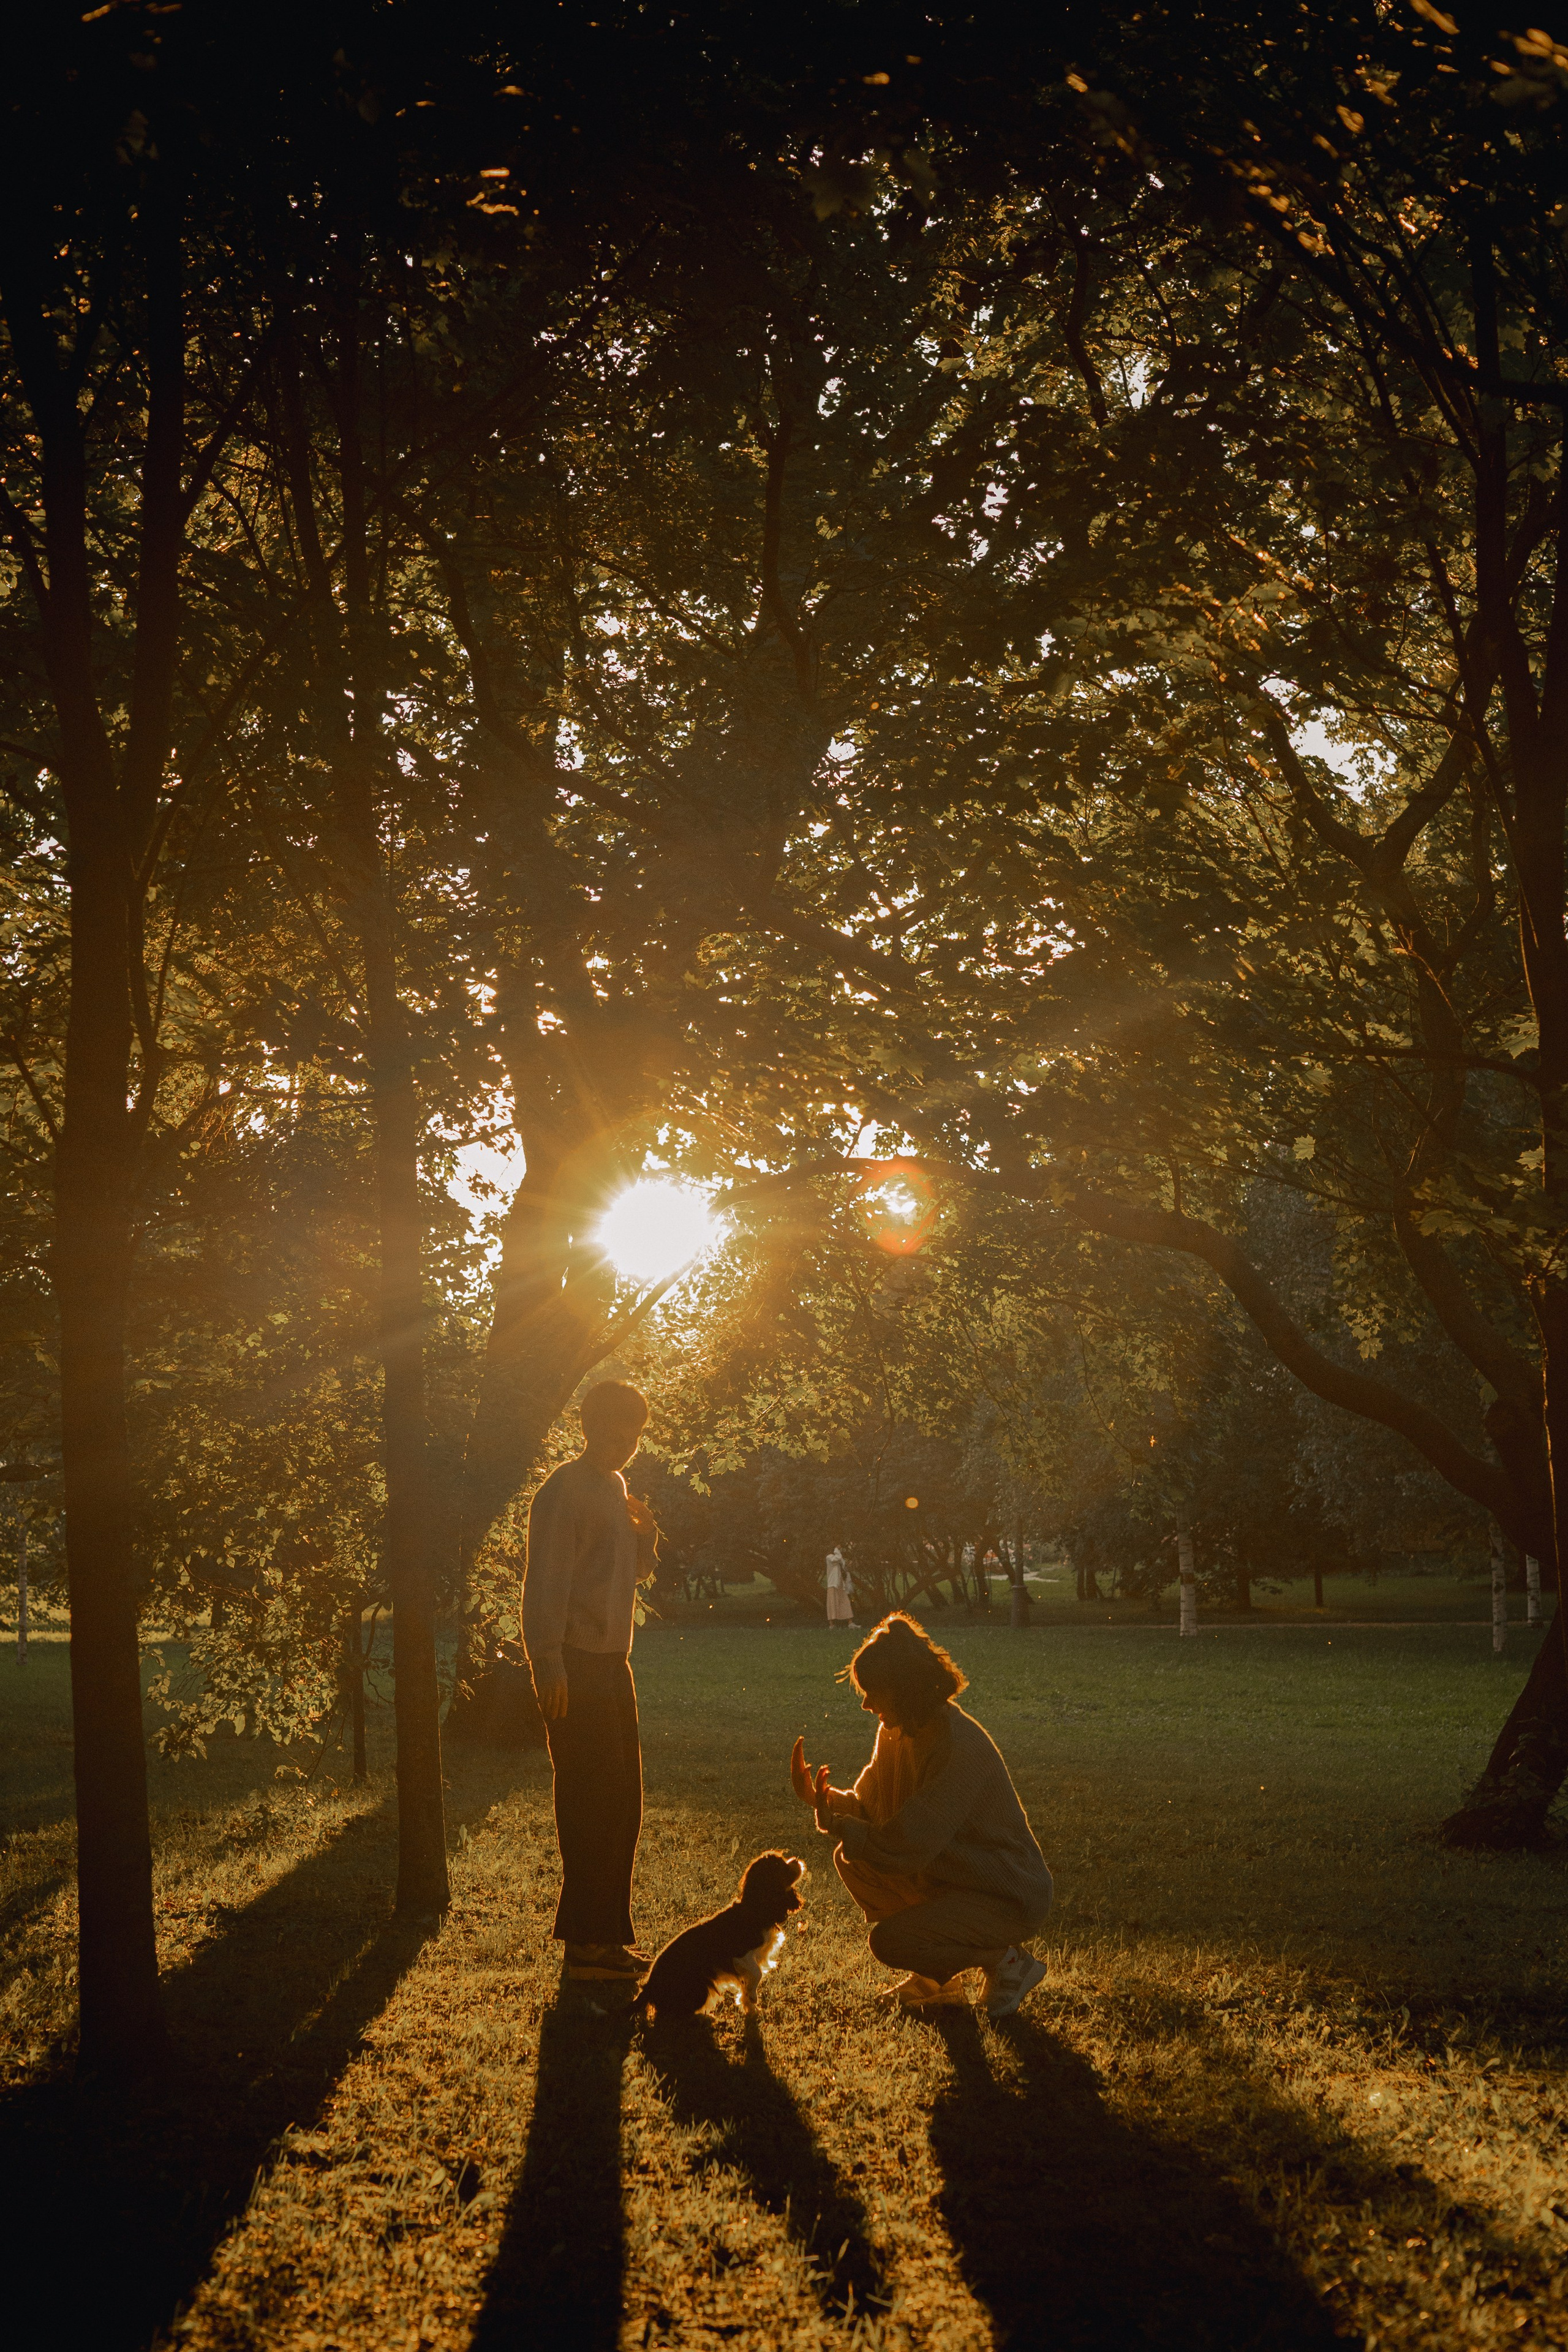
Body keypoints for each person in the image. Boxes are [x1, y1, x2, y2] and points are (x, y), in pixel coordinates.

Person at [790, 1611, 1052, 2017]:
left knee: (891, 1943)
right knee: (851, 1858)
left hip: (1005, 1895)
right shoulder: (897, 1731)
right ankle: (938, 1979)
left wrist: (840, 1824)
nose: (865, 1703)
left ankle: (1009, 1962)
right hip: (949, 1879)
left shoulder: (957, 1746)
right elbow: (872, 1809)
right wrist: (823, 1800)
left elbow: (908, 1844)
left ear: (904, 1689)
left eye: (873, 1690)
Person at [524, 1378, 658, 1983]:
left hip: (612, 1664)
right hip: (574, 1665)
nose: (622, 1443)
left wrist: (646, 1537)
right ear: (586, 1427)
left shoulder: (616, 1488)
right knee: (588, 1802)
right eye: (611, 1431)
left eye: (631, 1434)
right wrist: (547, 1661)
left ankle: (606, 1938)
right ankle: (584, 1948)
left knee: (623, 1804)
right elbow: (545, 1583)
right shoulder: (563, 1491)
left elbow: (626, 1572)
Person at [824, 1546, 858, 1629]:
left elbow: (844, 1567)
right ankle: (831, 1624)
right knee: (832, 1604)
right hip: (833, 1584)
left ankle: (850, 1623)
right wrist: (836, 1549)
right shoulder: (829, 1557)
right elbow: (837, 1558)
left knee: (845, 1602)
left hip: (840, 1585)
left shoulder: (838, 1557)